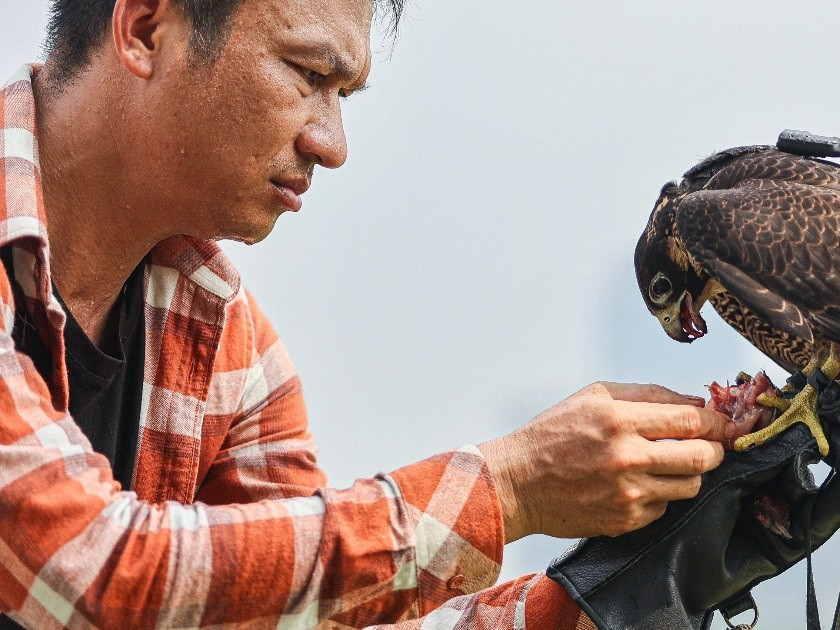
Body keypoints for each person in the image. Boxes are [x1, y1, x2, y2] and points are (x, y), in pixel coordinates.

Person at [0, 0, 740, 627]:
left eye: (343, 95)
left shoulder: (222, 333)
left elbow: (309, 609)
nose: (332, 145)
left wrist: (638, 582)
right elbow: (94, 570)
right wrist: (511, 488)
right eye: (308, 74)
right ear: (145, 29)